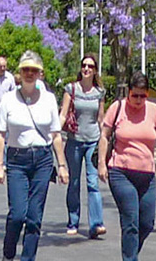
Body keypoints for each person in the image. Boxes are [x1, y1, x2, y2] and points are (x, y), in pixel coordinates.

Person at [0, 52, 69, 261]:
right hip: (17, 159)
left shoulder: (49, 99)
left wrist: (62, 166)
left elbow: (56, 135)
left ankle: (28, 257)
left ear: (40, 73)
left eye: (33, 70)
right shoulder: (9, 99)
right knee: (18, 214)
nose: (29, 73)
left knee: (34, 217)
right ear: (19, 72)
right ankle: (9, 253)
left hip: (43, 160)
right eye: (25, 69)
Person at [99, 71, 156, 261]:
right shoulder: (117, 108)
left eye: (143, 96)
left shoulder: (153, 110)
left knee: (147, 224)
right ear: (129, 92)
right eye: (135, 95)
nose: (139, 100)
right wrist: (102, 163)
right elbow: (104, 136)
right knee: (130, 221)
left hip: (147, 175)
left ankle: (131, 252)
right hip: (121, 172)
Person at [60, 55, 107, 239]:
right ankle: (73, 221)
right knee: (74, 182)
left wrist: (105, 140)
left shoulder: (99, 92)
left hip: (93, 141)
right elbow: (63, 114)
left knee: (93, 183)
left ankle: (96, 223)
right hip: (74, 141)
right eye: (84, 65)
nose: (87, 68)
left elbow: (101, 119)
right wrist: (54, 134)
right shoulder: (71, 89)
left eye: (90, 66)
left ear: (95, 70)